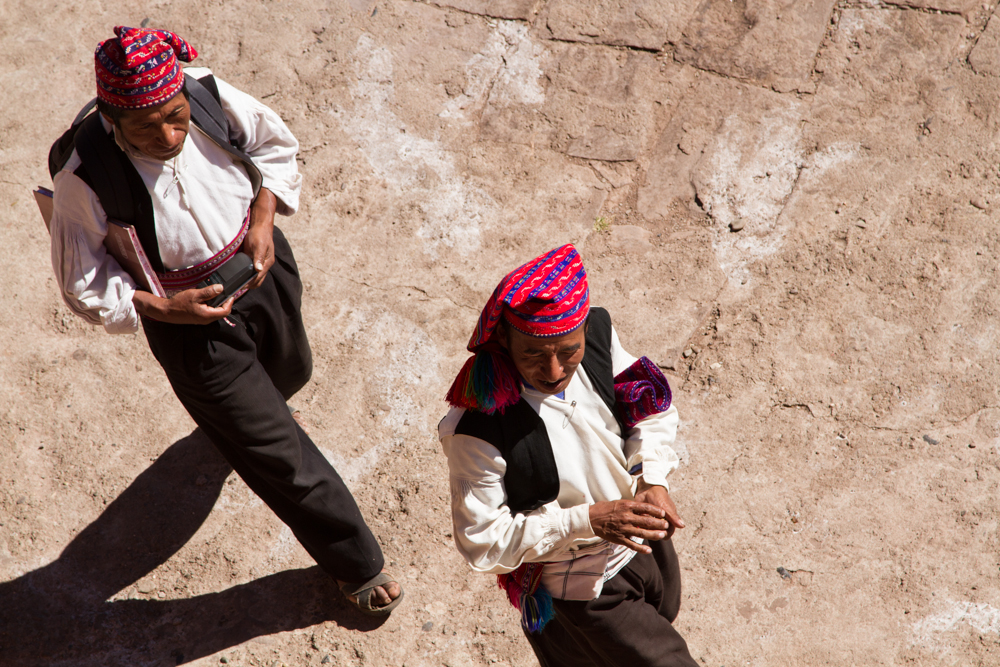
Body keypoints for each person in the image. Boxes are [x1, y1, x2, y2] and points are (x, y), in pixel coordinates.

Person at [48, 26, 402, 616]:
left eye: (175, 116)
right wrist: (161, 308)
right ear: (112, 117)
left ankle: (247, 415)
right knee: (280, 452)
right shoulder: (83, 175)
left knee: (292, 370)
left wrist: (264, 218)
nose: (168, 136)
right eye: (146, 127)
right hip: (189, 326)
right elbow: (80, 280)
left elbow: (274, 145)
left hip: (262, 269)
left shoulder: (207, 93)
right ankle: (356, 562)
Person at [438, 244, 698, 665]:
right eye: (533, 355)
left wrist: (652, 478)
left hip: (645, 544)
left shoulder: (598, 334)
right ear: (503, 338)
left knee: (654, 622)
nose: (555, 371)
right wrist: (590, 520)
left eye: (568, 351)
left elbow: (648, 407)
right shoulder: (477, 428)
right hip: (582, 588)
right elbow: (482, 541)